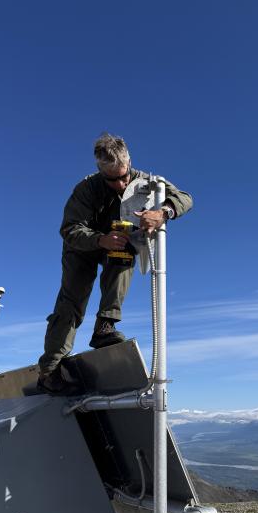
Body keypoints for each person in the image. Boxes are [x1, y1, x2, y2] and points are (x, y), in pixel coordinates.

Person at [37, 133, 193, 394]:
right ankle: (50, 371)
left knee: (124, 256)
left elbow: (186, 198)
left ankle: (105, 326)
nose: (121, 185)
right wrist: (100, 240)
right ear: (100, 170)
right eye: (112, 180)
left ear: (129, 162)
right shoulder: (86, 189)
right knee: (71, 303)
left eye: (124, 176)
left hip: (119, 243)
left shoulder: (147, 182)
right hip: (83, 247)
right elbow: (70, 229)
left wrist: (163, 211)